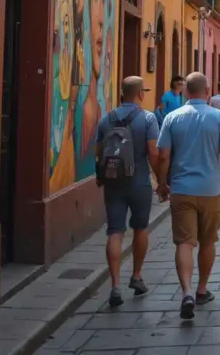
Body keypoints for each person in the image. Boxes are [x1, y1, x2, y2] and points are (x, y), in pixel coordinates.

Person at [156, 73, 220, 320]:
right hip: (211, 190)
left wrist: (161, 183)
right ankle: (202, 289)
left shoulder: (172, 117)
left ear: (186, 92)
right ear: (207, 90)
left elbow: (163, 156)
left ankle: (187, 292)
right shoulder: (218, 117)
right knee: (208, 241)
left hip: (181, 190)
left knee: (184, 242)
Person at [94, 77, 160, 307]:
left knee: (115, 231)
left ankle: (114, 286)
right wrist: (161, 180)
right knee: (140, 228)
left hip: (113, 183)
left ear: (122, 93)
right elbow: (153, 152)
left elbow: (98, 152)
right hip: (139, 182)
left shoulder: (106, 119)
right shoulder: (148, 118)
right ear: (141, 94)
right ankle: (136, 276)